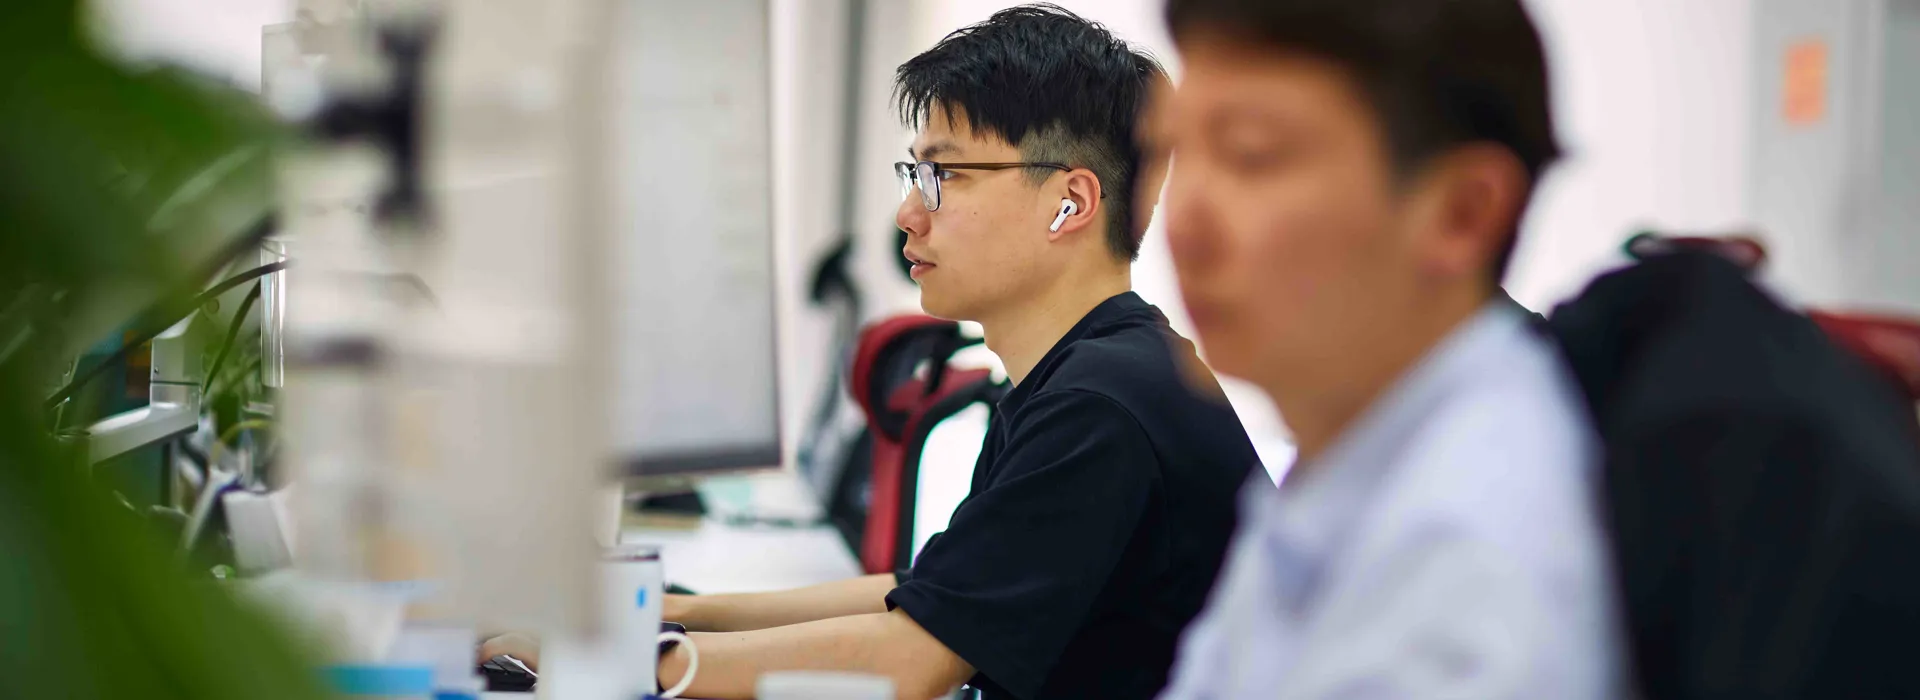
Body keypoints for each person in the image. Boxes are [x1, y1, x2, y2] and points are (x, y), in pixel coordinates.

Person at [483, 6, 1261, 699]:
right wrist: (673, 611)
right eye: (914, 174)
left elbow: (910, 662)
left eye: (944, 175)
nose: (907, 214)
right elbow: (924, 593)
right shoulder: (1085, 372)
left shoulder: (1103, 406)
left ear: (1071, 202)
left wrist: (627, 657)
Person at [1144, 0, 1621, 698]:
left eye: (1251, 154)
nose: (1181, 221)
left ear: (1464, 212)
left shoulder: (1470, 574)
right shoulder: (1351, 444)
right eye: (1173, 153)